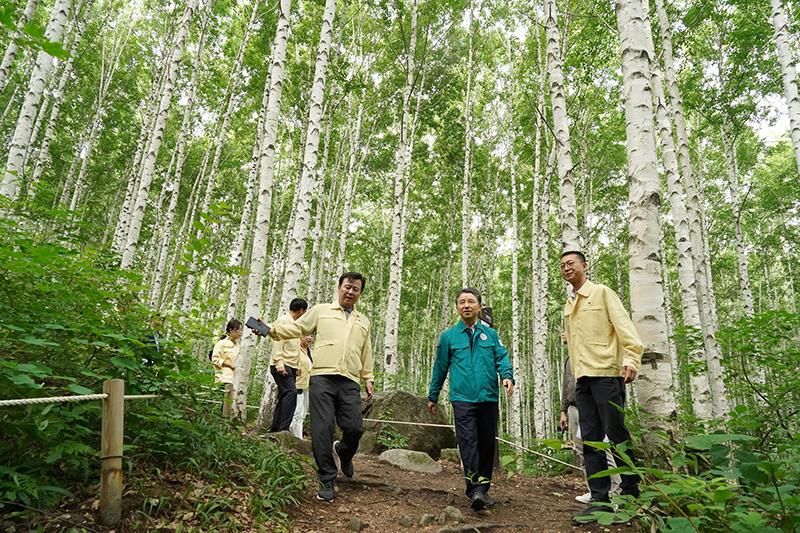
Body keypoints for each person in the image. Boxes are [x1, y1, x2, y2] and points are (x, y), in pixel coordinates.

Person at [254, 272, 373, 503]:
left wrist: (367, 377)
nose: (350, 292)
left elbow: (366, 351)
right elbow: (296, 329)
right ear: (339, 287)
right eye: (347, 287)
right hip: (322, 378)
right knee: (322, 429)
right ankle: (328, 479)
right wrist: (271, 329)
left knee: (355, 428)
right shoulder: (321, 311)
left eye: (355, 289)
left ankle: (345, 452)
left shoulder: (363, 321)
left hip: (349, 380)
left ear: (360, 293)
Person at [559, 251, 643, 524]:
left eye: (571, 263)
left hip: (607, 375)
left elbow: (625, 329)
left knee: (616, 435)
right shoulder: (569, 305)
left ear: (584, 266)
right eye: (561, 266)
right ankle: (600, 502)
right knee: (590, 440)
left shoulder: (602, 293)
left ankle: (631, 498)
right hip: (582, 379)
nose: (566, 268)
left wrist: (631, 359)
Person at [427, 288, 515, 512]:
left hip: (488, 397)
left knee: (487, 444)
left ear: (479, 306)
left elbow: (501, 357)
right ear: (457, 307)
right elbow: (440, 367)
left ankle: (483, 490)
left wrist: (507, 377)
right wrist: (433, 395)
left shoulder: (491, 334)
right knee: (468, 442)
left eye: (471, 302)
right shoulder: (449, 336)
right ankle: (474, 489)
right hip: (462, 398)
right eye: (461, 302)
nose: (466, 305)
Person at [559, 355, 621, 504]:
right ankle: (595, 491)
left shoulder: (588, 353)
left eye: (566, 331)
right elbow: (566, 384)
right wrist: (563, 410)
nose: (563, 334)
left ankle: (616, 492)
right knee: (582, 450)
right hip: (573, 408)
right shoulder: (569, 358)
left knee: (601, 448)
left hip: (590, 408)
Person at [269, 298, 309, 433]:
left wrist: (297, 366)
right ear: (301, 311)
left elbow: (296, 348)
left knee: (284, 395)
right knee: (291, 393)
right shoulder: (282, 321)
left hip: (291, 365)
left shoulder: (295, 325)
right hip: (282, 365)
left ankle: (276, 429)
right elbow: (277, 343)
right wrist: (279, 364)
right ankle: (284, 428)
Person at [290, 334, 314, 439]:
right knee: (297, 413)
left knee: (303, 413)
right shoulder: (295, 348)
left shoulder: (311, 352)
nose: (309, 338)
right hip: (297, 384)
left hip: (308, 386)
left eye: (312, 336)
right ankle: (297, 438)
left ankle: (297, 436)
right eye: (307, 335)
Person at [211, 319, 242, 387]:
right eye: (238, 330)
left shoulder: (239, 347)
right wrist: (230, 364)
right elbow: (215, 359)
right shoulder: (221, 343)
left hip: (236, 380)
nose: (240, 332)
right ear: (231, 330)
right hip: (223, 379)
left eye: (241, 330)